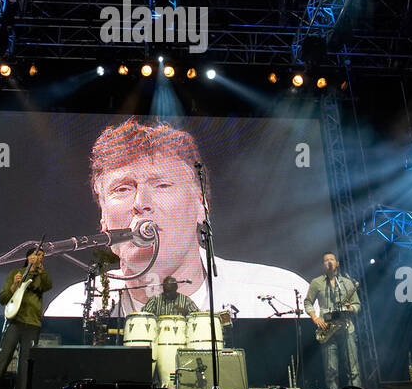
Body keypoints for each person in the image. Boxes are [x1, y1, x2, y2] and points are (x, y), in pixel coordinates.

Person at [43, 118, 308, 318]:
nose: (140, 203)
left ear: (201, 206)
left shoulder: (282, 295)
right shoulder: (72, 310)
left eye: (162, 185)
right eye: (122, 189)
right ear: (103, 218)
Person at [0, 247, 51, 389]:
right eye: (37, 254)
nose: (40, 257)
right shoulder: (15, 273)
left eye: (42, 255)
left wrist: (41, 271)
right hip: (14, 321)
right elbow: (3, 298)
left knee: (26, 362)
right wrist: (14, 286)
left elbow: (47, 285)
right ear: (28, 257)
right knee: (4, 356)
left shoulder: (41, 275)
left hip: (32, 323)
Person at [304, 251, 362, 389]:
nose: (329, 262)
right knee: (331, 370)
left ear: (337, 263)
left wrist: (351, 308)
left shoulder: (347, 283)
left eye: (331, 259)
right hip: (328, 329)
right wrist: (315, 318)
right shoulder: (316, 283)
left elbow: (357, 304)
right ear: (323, 265)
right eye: (326, 260)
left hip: (347, 327)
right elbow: (308, 303)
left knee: (353, 369)